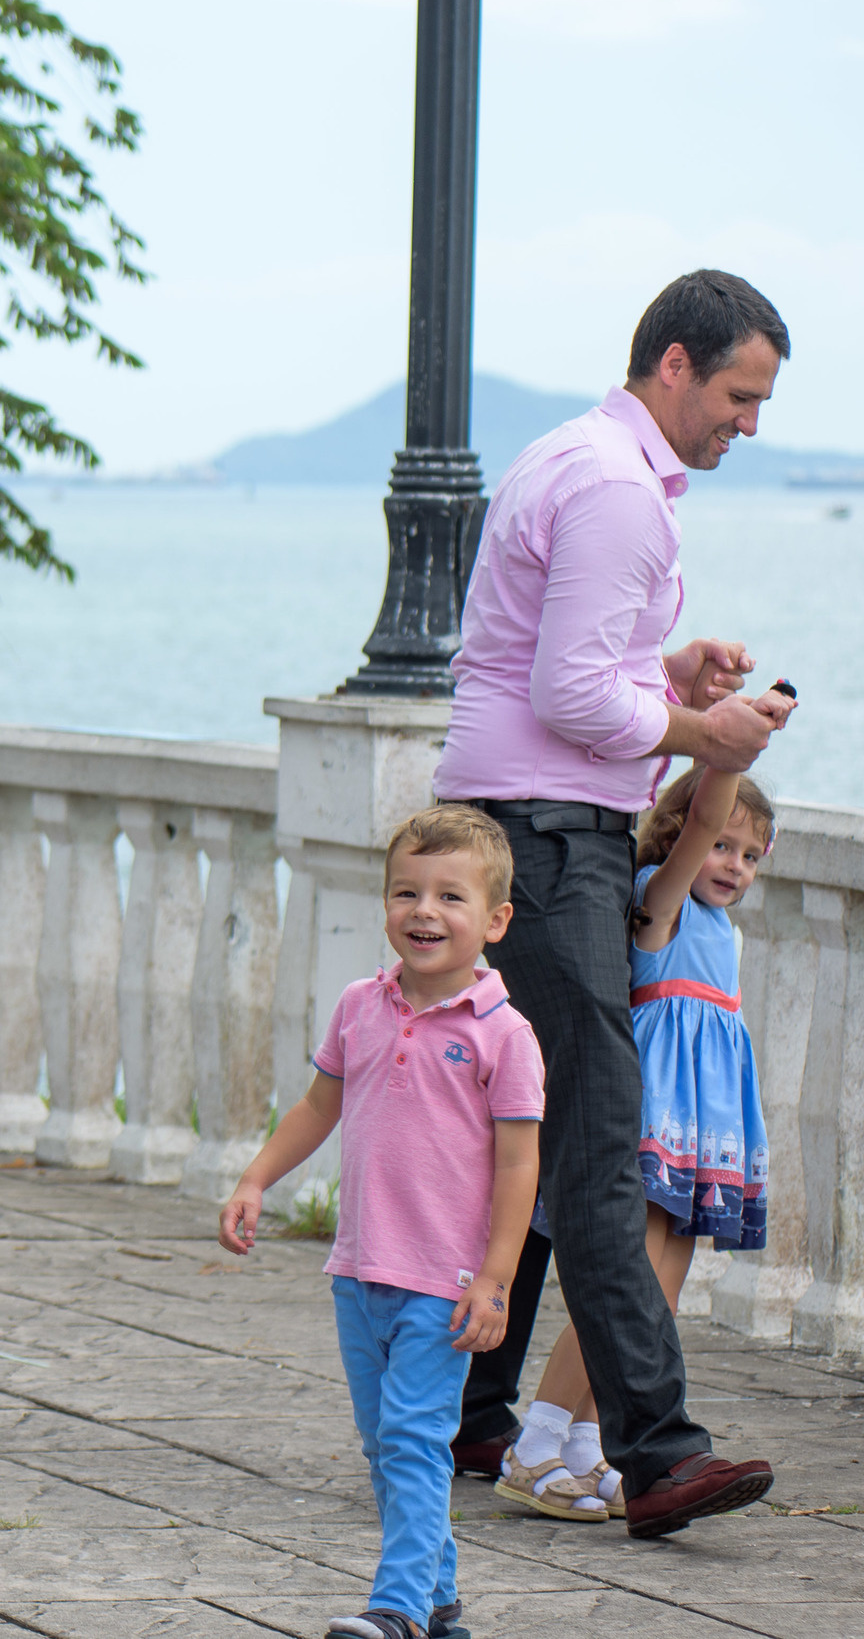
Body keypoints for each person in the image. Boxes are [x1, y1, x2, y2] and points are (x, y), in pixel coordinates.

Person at [432, 268, 788, 1539]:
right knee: (596, 1143)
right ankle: (657, 1450)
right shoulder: (616, 490)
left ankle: (472, 1413)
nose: (746, 425)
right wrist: (709, 731)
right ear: (677, 364)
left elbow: (573, 665)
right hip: (551, 834)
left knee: (536, 1124)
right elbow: (574, 700)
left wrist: (669, 669)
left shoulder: (572, 459)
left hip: (519, 823)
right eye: (739, 397)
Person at [221, 806, 543, 1639]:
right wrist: (258, 1177)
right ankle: (439, 1603)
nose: (424, 911)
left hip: (446, 1281)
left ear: (496, 920)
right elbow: (318, 1103)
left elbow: (519, 1166)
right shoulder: (362, 1004)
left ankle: (395, 1610)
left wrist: (498, 1280)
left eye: (449, 896)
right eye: (406, 892)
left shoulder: (506, 1036)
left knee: (411, 1439)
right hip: (360, 1269)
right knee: (387, 1447)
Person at [494, 755, 785, 1524]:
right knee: (625, 1280)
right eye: (722, 844)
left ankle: (590, 1443)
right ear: (684, 833)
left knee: (662, 1289)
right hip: (658, 1118)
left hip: (705, 1131)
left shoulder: (723, 930)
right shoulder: (661, 905)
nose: (733, 866)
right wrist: (725, 752)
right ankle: (538, 1440)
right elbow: (690, 838)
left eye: (751, 855)